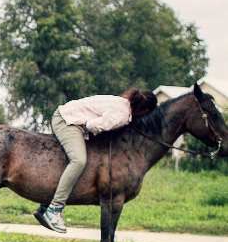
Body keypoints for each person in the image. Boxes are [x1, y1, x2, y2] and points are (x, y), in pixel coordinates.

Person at [35, 87, 157, 233]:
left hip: (69, 116)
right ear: (144, 110)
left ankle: (44, 206)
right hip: (66, 122)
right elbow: (92, 125)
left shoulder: (122, 103)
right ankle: (54, 210)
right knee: (78, 161)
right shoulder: (122, 115)